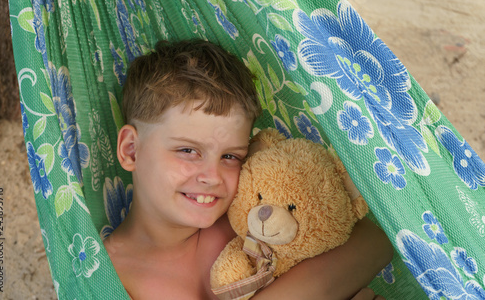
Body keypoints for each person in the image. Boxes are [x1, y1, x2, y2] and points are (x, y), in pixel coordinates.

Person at [104, 39, 393, 300]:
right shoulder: (106, 277)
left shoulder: (245, 217)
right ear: (131, 149)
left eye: (230, 156)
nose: (212, 176)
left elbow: (376, 241)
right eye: (188, 151)